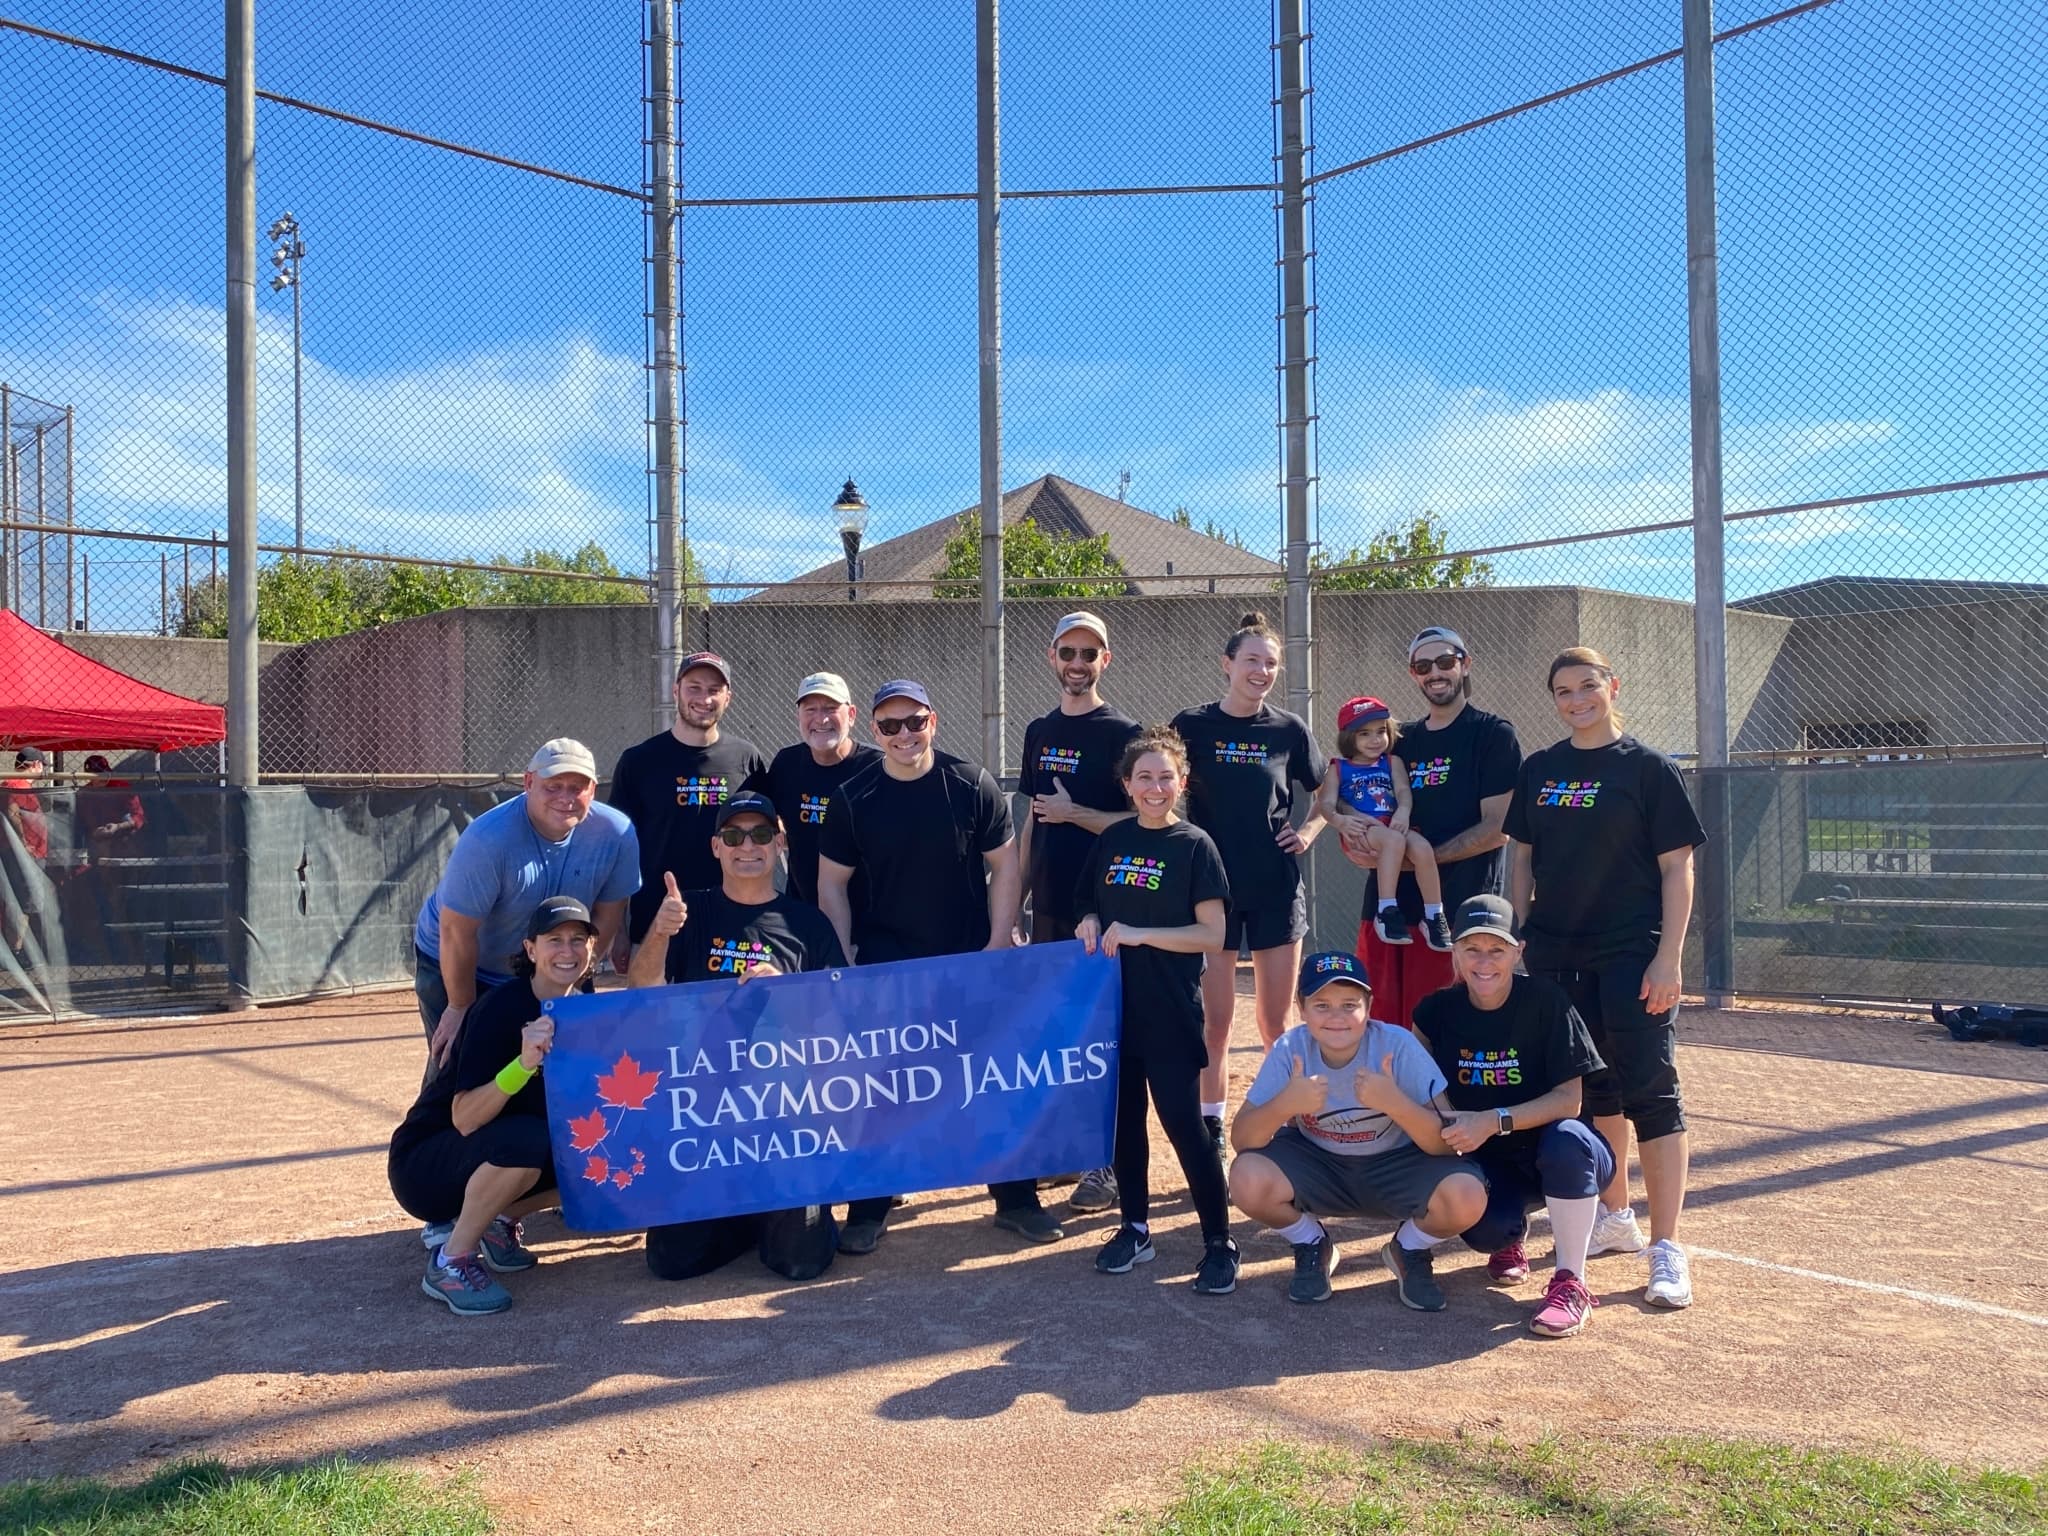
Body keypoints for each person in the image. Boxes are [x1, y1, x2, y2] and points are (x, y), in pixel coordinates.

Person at [815, 679, 1050, 1252]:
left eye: (914, 722)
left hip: (968, 958)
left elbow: (1005, 867)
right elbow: (831, 885)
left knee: (989, 1079)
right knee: (884, 1087)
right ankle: (870, 1207)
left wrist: (997, 942)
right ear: (874, 730)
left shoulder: (970, 784)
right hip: (888, 965)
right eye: (890, 725)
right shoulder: (854, 795)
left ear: (933, 721)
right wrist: (844, 957)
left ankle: (1016, 1198)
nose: (903, 734)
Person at [1506, 646, 1707, 1310]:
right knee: (1592, 1095)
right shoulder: (1540, 769)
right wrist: (1521, 930)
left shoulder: (1648, 770)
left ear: (1612, 687)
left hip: (1633, 954)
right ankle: (1615, 1217)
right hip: (1558, 955)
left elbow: (1678, 869)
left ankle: (1667, 1247)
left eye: (1588, 686)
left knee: (1651, 1091)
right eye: (1563, 691)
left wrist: (1669, 957)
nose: (1577, 700)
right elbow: (1523, 858)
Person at [627, 791, 846, 1284]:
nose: (748, 845)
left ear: (780, 843)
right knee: (672, 1262)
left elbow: (836, 1024)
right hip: (707, 1123)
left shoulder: (807, 923)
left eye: (762, 835)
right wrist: (659, 933)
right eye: (734, 835)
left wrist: (787, 993)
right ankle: (747, 1221)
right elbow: (643, 989)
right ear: (716, 847)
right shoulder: (688, 914)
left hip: (784, 1119)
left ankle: (794, 1214)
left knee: (802, 1262)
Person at [1228, 950, 1487, 1310]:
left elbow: (1448, 1144)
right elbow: (1242, 1140)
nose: (1337, 1017)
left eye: (1350, 1004)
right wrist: (1285, 1104)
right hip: (1320, 1165)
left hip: (1396, 1164)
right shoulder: (1292, 1047)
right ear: (1301, 1008)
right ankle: (1311, 1242)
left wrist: (1394, 1102)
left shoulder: (1397, 1045)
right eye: (1322, 1005)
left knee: (1467, 1195)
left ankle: (1408, 1249)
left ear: (1369, 1006)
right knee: (1246, 1178)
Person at [1074, 726, 1237, 1293]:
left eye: (1165, 776)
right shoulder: (1113, 841)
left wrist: (1142, 933)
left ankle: (1219, 1241)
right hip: (1114, 1012)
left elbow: (1212, 934)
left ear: (1182, 782)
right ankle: (1135, 1228)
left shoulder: (1195, 846)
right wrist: (1090, 919)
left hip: (1170, 1010)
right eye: (1144, 776)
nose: (1155, 786)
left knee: (1185, 1126)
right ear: (1127, 784)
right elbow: (1088, 902)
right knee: (1124, 1124)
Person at [1412, 895, 1614, 1338]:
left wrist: (1492, 1119)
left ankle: (1571, 1283)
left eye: (1497, 950)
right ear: (1455, 953)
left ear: (1518, 951)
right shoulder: (1434, 1012)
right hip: (1489, 1159)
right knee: (1488, 1232)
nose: (1484, 962)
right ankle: (1511, 1237)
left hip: (1562, 1152)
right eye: (1472, 949)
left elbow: (1569, 1101)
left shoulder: (1547, 1001)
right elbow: (1421, 1087)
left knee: (1567, 1137)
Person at [388, 895, 596, 1315]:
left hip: (499, 1149)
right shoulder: (499, 1009)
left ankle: (497, 1223)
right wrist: (522, 1064)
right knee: (528, 1139)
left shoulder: (586, 1007)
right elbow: (464, 1119)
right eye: (555, 940)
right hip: (427, 1163)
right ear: (531, 949)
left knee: (603, 1152)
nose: (568, 951)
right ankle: (451, 1261)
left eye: (579, 939)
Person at [1171, 611, 1326, 1154]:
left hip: (1274, 889)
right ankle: (1210, 1126)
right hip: (1210, 893)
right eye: (1252, 660)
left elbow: (1328, 791)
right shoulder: (1190, 725)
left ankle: (1284, 1124)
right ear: (1228, 665)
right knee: (1214, 1023)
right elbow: (1160, 782)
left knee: (1275, 1023)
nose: (1262, 671)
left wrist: (1307, 831)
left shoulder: (1288, 729)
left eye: (1271, 663)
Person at [1018, 611, 1139, 1215]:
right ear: (1052, 656)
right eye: (1068, 651)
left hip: (1104, 909)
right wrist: (1010, 902)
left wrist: (1078, 816)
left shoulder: (1125, 733)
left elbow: (1146, 821)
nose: (1077, 663)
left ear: (1105, 660)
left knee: (1104, 1034)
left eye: (1089, 653)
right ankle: (1067, 1148)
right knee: (1058, 1032)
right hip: (1049, 908)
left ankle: (1107, 1163)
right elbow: (1029, 822)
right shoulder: (1038, 730)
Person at [416, 739, 637, 1067]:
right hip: (459, 960)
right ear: (529, 782)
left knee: (570, 1067)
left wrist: (573, 976)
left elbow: (609, 913)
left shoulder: (617, 833)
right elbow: (456, 932)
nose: (565, 797)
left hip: (550, 961)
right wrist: (460, 1006)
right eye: (553, 786)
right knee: (459, 1065)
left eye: (577, 787)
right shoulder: (487, 839)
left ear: (593, 789)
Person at [1343, 626, 1522, 1030]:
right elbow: (1353, 808)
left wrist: (1419, 860)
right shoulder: (1399, 742)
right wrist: (1355, 840)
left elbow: (1497, 828)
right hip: (1388, 915)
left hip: (1457, 918)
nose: (1435, 673)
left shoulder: (1493, 735)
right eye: (1423, 666)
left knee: (1448, 1037)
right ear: (1413, 674)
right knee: (1383, 1033)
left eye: (1445, 662)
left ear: (1465, 664)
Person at [608, 651, 770, 954]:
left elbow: (769, 839)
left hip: (733, 930)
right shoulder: (639, 762)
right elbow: (619, 851)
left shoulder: (747, 759)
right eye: (694, 687)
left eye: (714, 690)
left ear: (728, 697)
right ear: (676, 691)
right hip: (657, 923)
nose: (704, 699)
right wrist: (619, 930)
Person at [1312, 696, 1450, 952]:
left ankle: (1433, 915)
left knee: (1422, 848)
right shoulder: (1339, 768)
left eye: (1380, 732)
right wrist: (1341, 822)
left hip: (1393, 823)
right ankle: (1386, 909)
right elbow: (1326, 804)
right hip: (1363, 828)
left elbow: (1403, 791)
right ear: (1349, 737)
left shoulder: (1392, 762)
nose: (1375, 739)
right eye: (1364, 733)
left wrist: (1404, 812)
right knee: (1394, 841)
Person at [765, 671, 882, 908]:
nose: (821, 719)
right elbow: (763, 817)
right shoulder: (786, 764)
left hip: (870, 919)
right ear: (798, 715)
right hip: (802, 912)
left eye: (830, 708)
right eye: (810, 709)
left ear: (851, 715)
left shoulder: (878, 767)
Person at [74, 754, 146, 966]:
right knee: (105, 898)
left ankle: (134, 950)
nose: (98, 779)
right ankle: (113, 950)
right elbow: (83, 823)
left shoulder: (121, 786)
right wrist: (97, 832)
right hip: (100, 849)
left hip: (125, 847)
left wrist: (118, 827)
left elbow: (138, 817)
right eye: (93, 775)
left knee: (128, 897)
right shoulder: (86, 792)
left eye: (101, 774)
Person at [4, 749, 50, 964]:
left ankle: (18, 951)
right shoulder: (17, 785)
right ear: (35, 764)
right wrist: (23, 844)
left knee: (24, 901)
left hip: (26, 852)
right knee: (26, 902)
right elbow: (13, 811)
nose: (43, 770)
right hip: (23, 854)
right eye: (42, 765)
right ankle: (18, 951)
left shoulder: (16, 785)